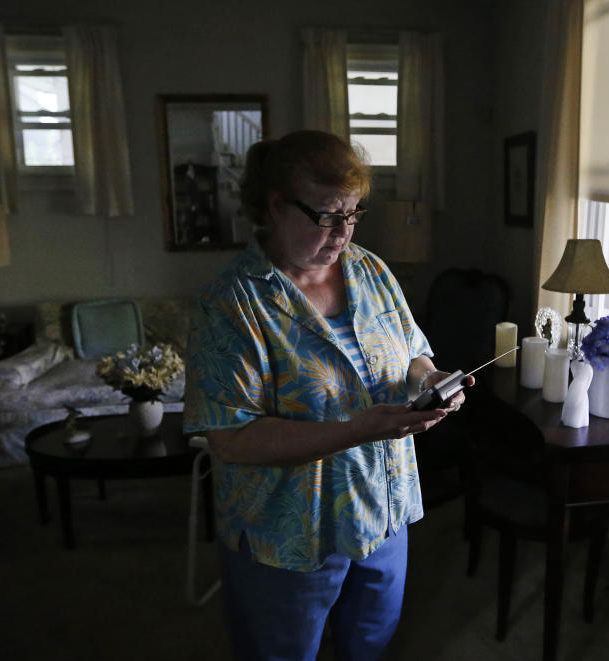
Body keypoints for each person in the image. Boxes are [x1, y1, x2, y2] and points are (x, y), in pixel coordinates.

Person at [183, 130, 471, 661]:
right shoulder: (230, 302)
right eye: (325, 215)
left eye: (354, 213)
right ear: (274, 206)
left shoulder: (371, 270)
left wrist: (431, 380)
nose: (343, 231)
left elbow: (411, 353)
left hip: (383, 513)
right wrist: (356, 430)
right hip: (290, 535)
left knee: (370, 646)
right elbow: (231, 438)